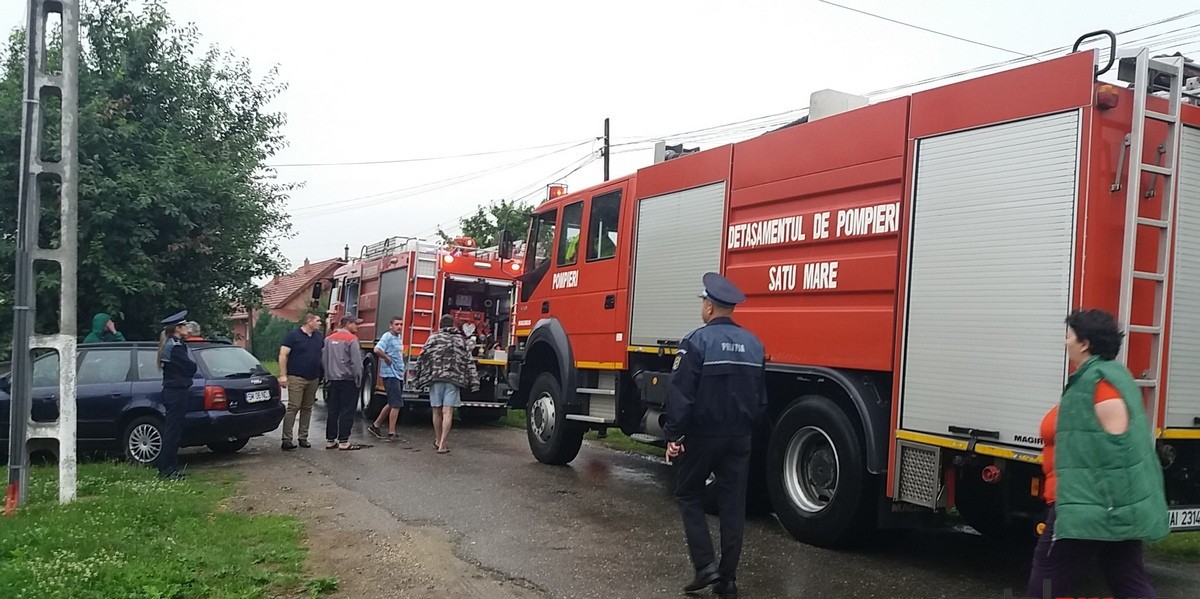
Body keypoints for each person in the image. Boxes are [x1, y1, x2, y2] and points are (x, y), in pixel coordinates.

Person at [1026, 308, 1168, 598]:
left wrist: (1100, 505)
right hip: (1110, 507)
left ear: (1085, 343)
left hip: (1086, 506)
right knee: (1128, 580)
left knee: (1045, 584)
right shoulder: (1113, 379)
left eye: (1069, 337)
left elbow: (1115, 452)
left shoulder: (1094, 386)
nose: (1065, 343)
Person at [663, 272, 767, 599]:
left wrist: (674, 436)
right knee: (733, 506)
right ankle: (728, 580)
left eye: (703, 303)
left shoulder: (696, 341)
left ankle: (705, 565)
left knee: (687, 494)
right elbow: (761, 399)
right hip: (739, 437)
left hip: (703, 435)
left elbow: (682, 395)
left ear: (709, 307)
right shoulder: (754, 344)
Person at [416, 314, 478, 454]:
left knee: (436, 411)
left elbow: (422, 356)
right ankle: (443, 444)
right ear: (453, 325)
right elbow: (469, 361)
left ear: (440, 325)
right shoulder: (461, 340)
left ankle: (438, 439)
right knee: (448, 411)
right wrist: (474, 381)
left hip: (435, 378)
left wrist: (417, 378)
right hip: (453, 380)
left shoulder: (433, 338)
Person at [157, 310, 197, 480]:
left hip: (174, 391)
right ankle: (167, 469)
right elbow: (190, 368)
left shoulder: (172, 344)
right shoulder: (175, 347)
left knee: (173, 430)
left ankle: (170, 467)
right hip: (176, 392)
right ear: (177, 328)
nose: (187, 328)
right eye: (184, 325)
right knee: (172, 432)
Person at [279, 312, 325, 451]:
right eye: (317, 320)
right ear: (309, 321)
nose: (320, 323)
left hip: (313, 377)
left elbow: (322, 354)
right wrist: (283, 375)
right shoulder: (293, 336)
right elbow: (283, 355)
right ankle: (286, 439)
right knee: (294, 407)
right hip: (296, 376)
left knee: (307, 408)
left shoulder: (318, 337)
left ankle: (303, 437)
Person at [323, 315, 366, 451]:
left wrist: (327, 376)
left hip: (332, 379)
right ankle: (343, 441)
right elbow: (356, 363)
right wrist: (358, 378)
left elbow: (324, 360)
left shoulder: (328, 339)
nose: (356, 327)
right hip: (348, 380)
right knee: (347, 410)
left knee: (333, 410)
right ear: (347, 324)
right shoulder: (352, 340)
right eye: (355, 324)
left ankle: (330, 440)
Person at [368, 316, 407, 442]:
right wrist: (386, 358)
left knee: (392, 402)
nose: (399, 327)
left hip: (398, 373)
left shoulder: (398, 338)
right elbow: (377, 349)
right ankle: (392, 433)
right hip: (390, 374)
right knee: (396, 404)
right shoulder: (387, 336)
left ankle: (376, 425)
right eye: (396, 324)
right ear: (391, 326)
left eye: (401, 324)